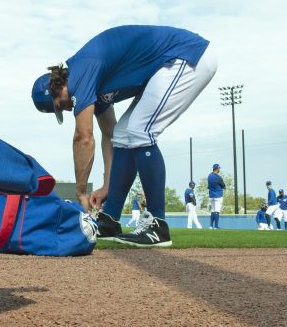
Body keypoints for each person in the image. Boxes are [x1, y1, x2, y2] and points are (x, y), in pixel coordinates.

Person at [31, 25, 218, 247]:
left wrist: (81, 192)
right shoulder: (90, 83)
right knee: (123, 133)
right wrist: (107, 185)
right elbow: (110, 134)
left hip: (186, 56)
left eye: (60, 105)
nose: (68, 108)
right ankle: (110, 219)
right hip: (169, 63)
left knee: (140, 129)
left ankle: (157, 225)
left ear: (57, 87)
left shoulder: (81, 72)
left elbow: (84, 137)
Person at [207, 163, 226, 229]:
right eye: (219, 168)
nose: (219, 170)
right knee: (217, 211)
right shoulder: (218, 177)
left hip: (211, 195)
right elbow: (223, 186)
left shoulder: (209, 176)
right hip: (218, 195)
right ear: (217, 169)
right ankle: (216, 226)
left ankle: (210, 226)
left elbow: (208, 186)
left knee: (212, 210)